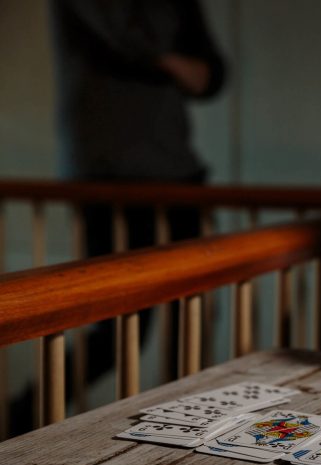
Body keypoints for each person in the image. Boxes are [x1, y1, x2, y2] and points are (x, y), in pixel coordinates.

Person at [45, 0, 225, 411]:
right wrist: (177, 64)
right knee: (117, 332)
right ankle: (18, 415)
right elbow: (132, 44)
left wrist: (173, 64)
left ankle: (190, 422)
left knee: (192, 325)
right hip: (110, 177)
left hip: (178, 173)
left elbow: (213, 75)